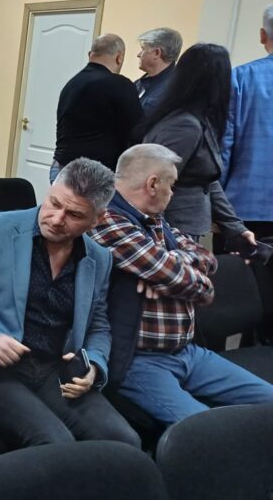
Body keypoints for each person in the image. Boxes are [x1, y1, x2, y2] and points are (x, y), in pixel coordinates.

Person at [0, 158, 140, 450]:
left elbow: (98, 324)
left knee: (124, 442)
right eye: (54, 203)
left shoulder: (98, 258)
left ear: (96, 219)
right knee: (55, 444)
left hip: (52, 368)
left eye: (74, 214)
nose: (57, 218)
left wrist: (93, 365)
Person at [90, 144, 273, 424]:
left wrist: (171, 262)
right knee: (206, 431)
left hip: (188, 352)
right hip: (139, 360)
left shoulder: (155, 219)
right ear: (153, 184)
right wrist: (181, 273)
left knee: (269, 402)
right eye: (172, 185)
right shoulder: (106, 221)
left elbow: (207, 259)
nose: (173, 193)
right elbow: (194, 284)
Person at [140, 43, 253, 243]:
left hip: (181, 229)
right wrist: (161, 236)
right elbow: (154, 185)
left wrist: (235, 227)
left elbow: (207, 180)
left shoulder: (197, 121)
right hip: (172, 232)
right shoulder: (185, 126)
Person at [52, 33, 142, 180]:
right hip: (92, 175)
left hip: (61, 168)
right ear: (119, 57)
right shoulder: (119, 84)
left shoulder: (72, 83)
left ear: (90, 54)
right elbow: (138, 131)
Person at [222, 4, 273, 241]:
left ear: (262, 35)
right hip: (244, 209)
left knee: (238, 266)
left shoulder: (240, 77)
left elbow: (224, 144)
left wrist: (216, 205)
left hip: (244, 207)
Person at [136, 27, 182, 115]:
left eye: (143, 49)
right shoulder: (142, 82)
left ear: (157, 53)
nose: (138, 54)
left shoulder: (170, 90)